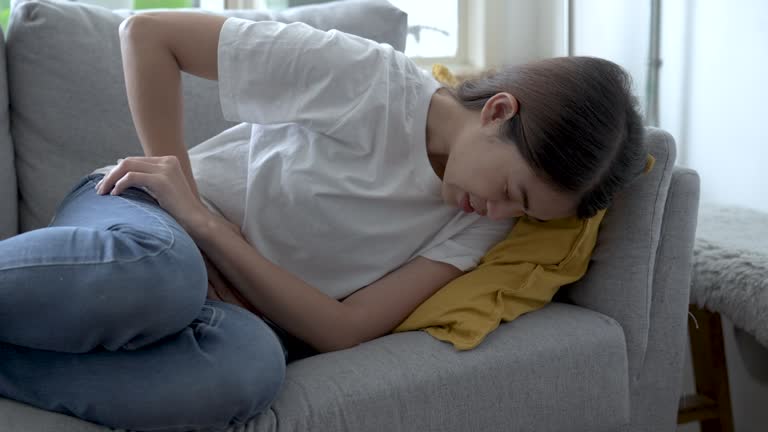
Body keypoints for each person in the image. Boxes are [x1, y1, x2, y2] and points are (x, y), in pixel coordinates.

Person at [0, 10, 646, 432]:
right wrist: (188, 206)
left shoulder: (479, 225)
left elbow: (343, 328)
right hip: (142, 214)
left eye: (523, 213)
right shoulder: (372, 81)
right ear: (498, 111)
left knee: (251, 371)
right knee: (164, 277)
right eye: (511, 190)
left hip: (225, 290)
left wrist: (213, 236)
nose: (502, 214)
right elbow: (149, 35)